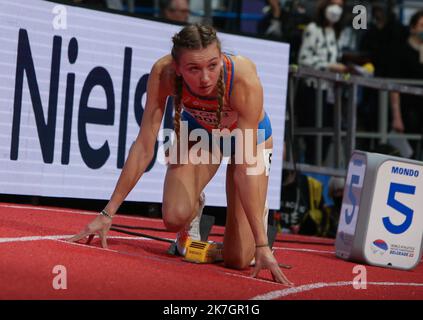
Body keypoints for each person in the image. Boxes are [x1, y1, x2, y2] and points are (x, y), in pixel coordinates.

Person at [68, 24, 292, 285]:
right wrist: (107, 214)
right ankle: (194, 210)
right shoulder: (163, 74)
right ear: (177, 67)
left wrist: (262, 245)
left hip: (249, 142)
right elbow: (143, 146)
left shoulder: (243, 77)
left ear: (221, 57)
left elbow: (244, 167)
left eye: (212, 65)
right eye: (194, 69)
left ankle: (256, 217)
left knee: (239, 259)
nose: (205, 78)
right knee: (173, 217)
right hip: (201, 134)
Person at [295, 0, 348, 165]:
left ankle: (318, 177)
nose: (335, 9)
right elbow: (303, 60)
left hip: (331, 93)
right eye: (333, 4)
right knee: (312, 138)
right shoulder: (313, 29)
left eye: (340, 6)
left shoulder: (337, 32)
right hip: (313, 90)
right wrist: (329, 67)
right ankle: (309, 175)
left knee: (327, 137)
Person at [389, 10, 423, 159]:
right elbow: (394, 85)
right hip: (408, 110)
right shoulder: (400, 52)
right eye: (422, 25)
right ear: (413, 27)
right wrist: (397, 116)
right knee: (409, 153)